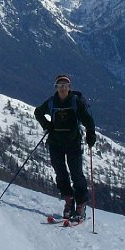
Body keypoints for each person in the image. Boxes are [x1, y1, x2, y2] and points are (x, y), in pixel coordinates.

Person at [34, 74, 96, 221]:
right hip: (56, 143)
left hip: (73, 143)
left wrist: (90, 135)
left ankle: (80, 203)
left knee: (76, 173)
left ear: (69, 88)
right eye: (60, 85)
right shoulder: (52, 102)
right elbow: (38, 112)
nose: (63, 88)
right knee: (60, 173)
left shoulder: (76, 102)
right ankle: (69, 200)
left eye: (65, 86)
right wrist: (47, 125)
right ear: (56, 87)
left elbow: (88, 120)